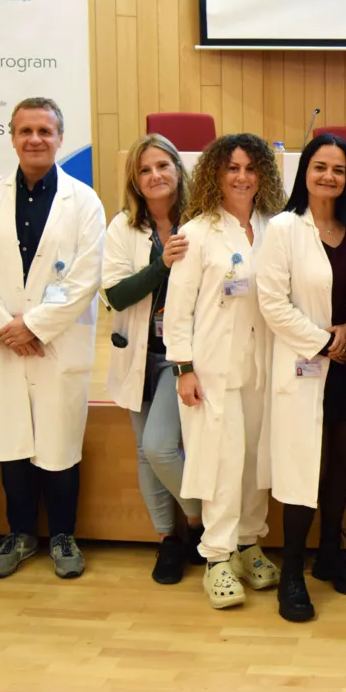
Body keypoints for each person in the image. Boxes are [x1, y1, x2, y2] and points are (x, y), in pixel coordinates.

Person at [0, 97, 105, 580]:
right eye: (26, 131)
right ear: (12, 136)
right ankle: (20, 533)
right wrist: (9, 327)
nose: (35, 139)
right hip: (5, 341)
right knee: (13, 444)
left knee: (60, 443)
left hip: (55, 342)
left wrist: (35, 326)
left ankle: (63, 535)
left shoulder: (83, 201)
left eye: (45, 131)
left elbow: (86, 276)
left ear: (60, 138)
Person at [257, 134, 346, 622]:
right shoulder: (284, 228)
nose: (330, 176)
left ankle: (330, 553)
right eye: (320, 167)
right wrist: (325, 340)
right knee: (300, 467)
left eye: (339, 170)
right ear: (305, 171)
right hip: (306, 365)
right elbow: (272, 302)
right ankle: (291, 571)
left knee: (339, 464)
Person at [163, 133, 284, 610]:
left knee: (257, 460)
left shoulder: (275, 227)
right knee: (221, 461)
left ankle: (250, 543)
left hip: (264, 368)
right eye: (232, 167)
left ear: (264, 176)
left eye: (251, 168)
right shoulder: (196, 233)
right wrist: (184, 367)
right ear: (216, 173)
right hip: (212, 369)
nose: (241, 177)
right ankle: (216, 556)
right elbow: (178, 310)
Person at [103, 134, 204, 584]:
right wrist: (161, 264)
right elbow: (116, 294)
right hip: (139, 353)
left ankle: (204, 522)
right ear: (135, 182)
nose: (155, 176)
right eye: (145, 170)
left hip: (183, 357)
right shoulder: (122, 228)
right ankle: (170, 538)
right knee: (146, 456)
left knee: (159, 446)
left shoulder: (201, 223)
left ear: (178, 171)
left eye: (163, 165)